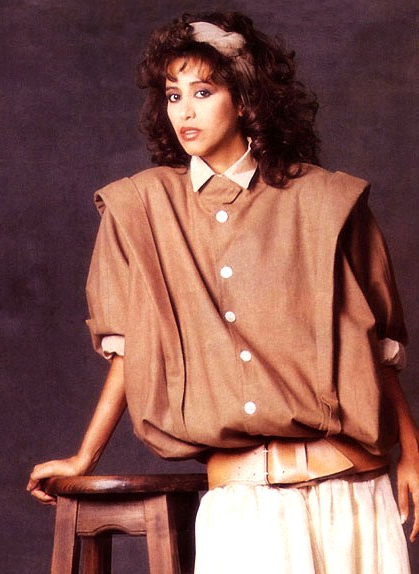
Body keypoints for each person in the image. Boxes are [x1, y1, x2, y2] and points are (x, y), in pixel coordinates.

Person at [27, 11, 419, 573]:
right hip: (243, 505)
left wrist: (413, 454)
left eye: (203, 92)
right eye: (173, 95)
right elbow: (132, 350)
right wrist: (84, 456)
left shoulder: (326, 200)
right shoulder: (140, 208)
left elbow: (375, 347)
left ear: (245, 100)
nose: (184, 111)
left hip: (351, 497)